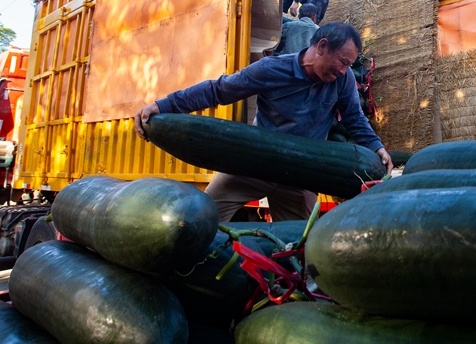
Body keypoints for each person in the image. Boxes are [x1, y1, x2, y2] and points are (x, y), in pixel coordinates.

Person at [133, 22, 393, 222]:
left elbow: (354, 118)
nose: (344, 70)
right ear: (322, 47)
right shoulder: (270, 69)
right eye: (342, 62)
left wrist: (376, 147)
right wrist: (164, 105)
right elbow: (218, 91)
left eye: (348, 65)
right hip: (254, 165)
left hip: (302, 174)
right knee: (203, 217)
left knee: (297, 247)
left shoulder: (343, 80)